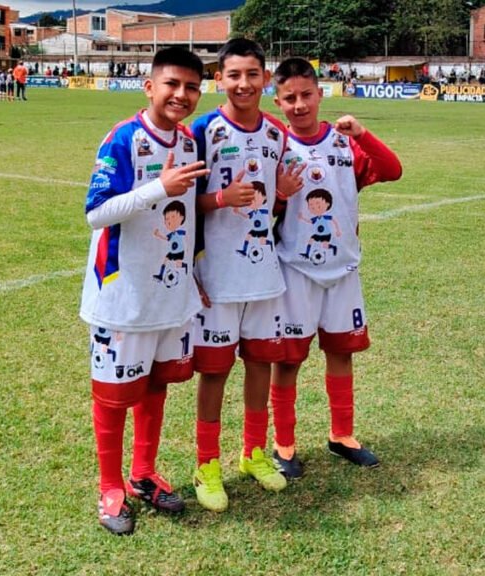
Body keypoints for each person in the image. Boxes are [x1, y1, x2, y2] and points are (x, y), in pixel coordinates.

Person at [79, 46, 211, 536]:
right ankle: (111, 487)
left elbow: (191, 220)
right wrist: (160, 187)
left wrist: (193, 273)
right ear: (149, 86)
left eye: (192, 87)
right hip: (122, 294)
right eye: (172, 84)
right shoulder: (123, 138)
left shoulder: (190, 143)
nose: (181, 95)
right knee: (114, 398)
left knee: (156, 385)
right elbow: (96, 213)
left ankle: (143, 473)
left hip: (171, 295)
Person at [268, 57, 402, 480]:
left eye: (307, 95)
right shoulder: (276, 146)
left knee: (341, 352)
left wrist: (363, 133)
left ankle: (342, 435)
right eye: (289, 98)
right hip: (296, 270)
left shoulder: (344, 143)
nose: (300, 105)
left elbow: (392, 170)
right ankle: (283, 442)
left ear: (320, 94)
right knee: (288, 359)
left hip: (343, 269)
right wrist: (282, 195)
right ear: (278, 101)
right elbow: (263, 211)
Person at [188, 37, 297, 512]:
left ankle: (254, 451)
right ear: (220, 79)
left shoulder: (276, 133)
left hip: (264, 274)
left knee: (259, 363)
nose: (243, 83)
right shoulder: (203, 130)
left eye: (252, 74)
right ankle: (206, 464)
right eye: (234, 75)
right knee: (214, 373)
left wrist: (282, 196)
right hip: (218, 277)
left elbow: (269, 205)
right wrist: (217, 199)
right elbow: (179, 202)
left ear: (265, 78)